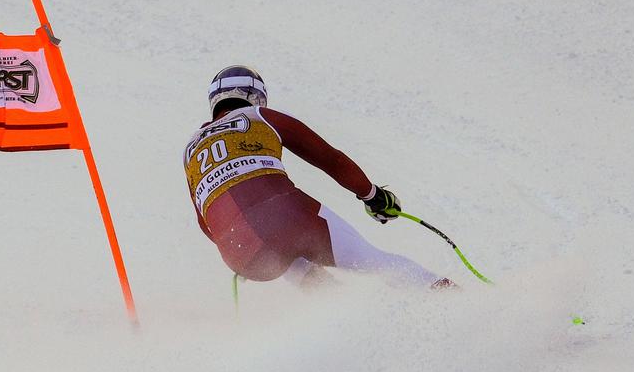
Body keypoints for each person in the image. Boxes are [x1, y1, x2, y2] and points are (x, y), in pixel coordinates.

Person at [183, 66, 453, 289]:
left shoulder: (190, 149)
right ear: (255, 96)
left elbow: (205, 223)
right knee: (376, 262)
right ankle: (453, 300)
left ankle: (348, 325)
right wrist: (373, 196)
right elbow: (329, 158)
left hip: (239, 251)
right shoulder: (258, 115)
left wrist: (239, 246)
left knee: (302, 272)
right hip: (288, 218)